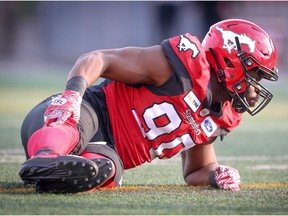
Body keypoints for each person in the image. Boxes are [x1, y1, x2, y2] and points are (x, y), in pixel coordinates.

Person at [19, 19, 278, 193]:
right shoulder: (183, 67)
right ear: (230, 59)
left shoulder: (221, 114)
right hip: (91, 111)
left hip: (110, 150)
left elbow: (196, 170)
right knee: (70, 128)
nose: (256, 85)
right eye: (254, 73)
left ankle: (52, 176)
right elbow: (99, 58)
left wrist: (215, 175)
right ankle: (46, 156)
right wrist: (73, 95)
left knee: (105, 171)